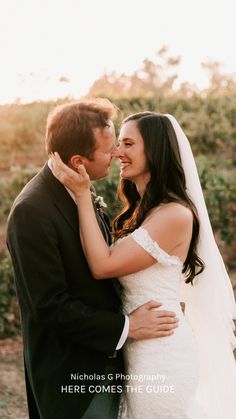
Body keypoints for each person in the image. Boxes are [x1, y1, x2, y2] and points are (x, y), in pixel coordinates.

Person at [51, 111, 236, 419]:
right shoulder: (143, 211)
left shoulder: (174, 215)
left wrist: (83, 194)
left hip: (162, 357)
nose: (116, 152)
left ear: (155, 150)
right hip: (140, 351)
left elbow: (102, 265)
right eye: (117, 144)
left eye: (127, 144)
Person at [6, 100, 179, 419]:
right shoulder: (32, 210)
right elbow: (49, 306)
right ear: (78, 161)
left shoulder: (79, 192)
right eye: (108, 149)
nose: (116, 154)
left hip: (114, 364)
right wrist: (128, 326)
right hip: (75, 379)